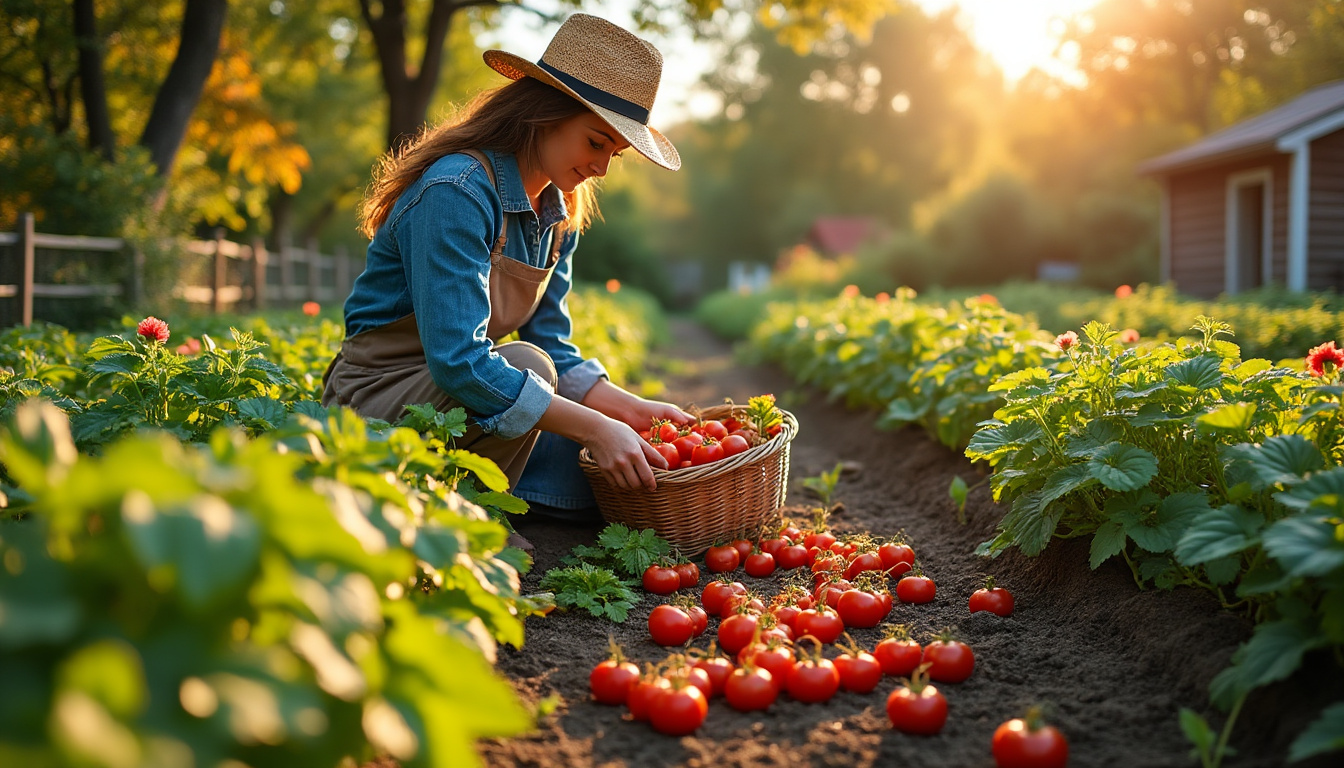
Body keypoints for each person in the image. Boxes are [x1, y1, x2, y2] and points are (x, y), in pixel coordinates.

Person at [322, 13, 691, 531]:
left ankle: (459, 496)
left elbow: (555, 346)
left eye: (616, 152)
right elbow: (461, 362)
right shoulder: (457, 192)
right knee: (534, 374)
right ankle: (457, 527)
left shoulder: (558, 213)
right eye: (596, 142)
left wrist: (628, 411)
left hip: (456, 406)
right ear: (545, 113)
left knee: (600, 475)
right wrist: (595, 428)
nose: (603, 167)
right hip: (378, 398)